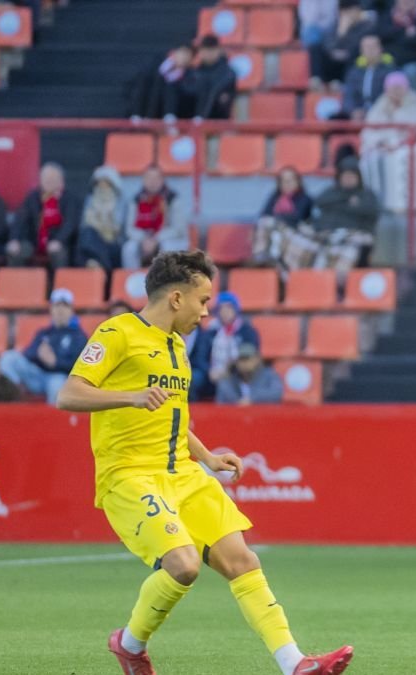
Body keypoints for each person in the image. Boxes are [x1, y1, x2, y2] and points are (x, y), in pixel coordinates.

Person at [55, 251, 353, 675]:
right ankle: (129, 643)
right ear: (176, 298)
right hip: (130, 476)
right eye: (203, 300)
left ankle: (295, 664)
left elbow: (172, 416)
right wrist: (130, 396)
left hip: (184, 473)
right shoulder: (117, 332)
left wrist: (207, 456)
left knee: (242, 561)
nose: (207, 311)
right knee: (184, 565)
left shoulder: (177, 345)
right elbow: (68, 394)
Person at [0, 288, 88, 404]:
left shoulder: (79, 336)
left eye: (64, 306)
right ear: (51, 309)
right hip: (38, 375)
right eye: (57, 306)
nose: (60, 310)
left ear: (71, 310)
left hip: (60, 377)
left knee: (56, 385)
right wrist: (39, 354)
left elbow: (79, 367)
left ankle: (53, 420)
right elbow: (28, 353)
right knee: (8, 358)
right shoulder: (44, 332)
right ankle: (13, 398)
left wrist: (55, 362)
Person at [360, 71, 416, 214]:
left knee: (399, 159)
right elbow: (368, 132)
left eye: (399, 88)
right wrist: (381, 143)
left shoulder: (415, 104)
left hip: (407, 147)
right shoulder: (380, 105)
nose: (396, 92)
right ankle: (375, 204)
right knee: (368, 161)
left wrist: (396, 143)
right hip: (382, 147)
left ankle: (403, 205)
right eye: (392, 88)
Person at [8, 162, 81, 269]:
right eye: (45, 178)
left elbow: (70, 224)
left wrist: (59, 240)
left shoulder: (70, 199)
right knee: (15, 252)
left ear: (60, 181)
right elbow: (20, 220)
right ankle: (16, 284)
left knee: (59, 253)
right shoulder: (32, 197)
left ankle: (58, 284)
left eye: (52, 178)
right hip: (34, 241)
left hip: (60, 242)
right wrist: (14, 239)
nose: (48, 181)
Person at [123, 166, 190, 270]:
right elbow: (130, 229)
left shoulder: (173, 199)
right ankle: (133, 280)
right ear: (143, 180)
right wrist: (143, 239)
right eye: (149, 178)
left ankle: (166, 283)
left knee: (167, 247)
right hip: (144, 239)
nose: (152, 182)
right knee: (129, 249)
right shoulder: (136, 200)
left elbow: (178, 229)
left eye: (156, 178)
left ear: (162, 180)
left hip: (170, 239)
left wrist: (156, 239)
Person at [251, 167, 316, 271]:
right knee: (265, 224)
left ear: (298, 181)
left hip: (295, 236)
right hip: (275, 237)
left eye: (290, 180)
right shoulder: (274, 198)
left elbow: (297, 218)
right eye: (284, 181)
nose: (287, 183)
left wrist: (278, 219)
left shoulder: (305, 198)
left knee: (271, 225)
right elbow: (264, 216)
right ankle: (262, 257)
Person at [308, 0, 372, 91]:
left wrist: (346, 51)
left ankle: (342, 83)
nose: (351, 14)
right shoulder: (335, 26)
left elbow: (358, 46)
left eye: (353, 10)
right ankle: (316, 80)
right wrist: (341, 33)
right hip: (334, 60)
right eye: (347, 11)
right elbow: (327, 45)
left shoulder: (366, 26)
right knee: (315, 47)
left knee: (354, 54)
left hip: (350, 62)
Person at [377, 0, 416, 89]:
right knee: (382, 71)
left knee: (411, 72)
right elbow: (382, 34)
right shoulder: (389, 15)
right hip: (391, 59)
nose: (406, 1)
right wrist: (404, 31)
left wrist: (396, 35)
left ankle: (414, 101)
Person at [78, 165, 128, 271]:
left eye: (106, 183)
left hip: (113, 241)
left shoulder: (121, 202)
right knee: (87, 235)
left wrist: (102, 223)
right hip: (94, 240)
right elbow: (85, 224)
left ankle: (101, 264)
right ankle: (102, 265)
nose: (102, 186)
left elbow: (118, 228)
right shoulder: (90, 200)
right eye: (99, 182)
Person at [208, 291, 261, 386]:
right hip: (213, 374)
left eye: (228, 307)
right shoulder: (211, 331)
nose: (225, 311)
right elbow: (203, 356)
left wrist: (230, 369)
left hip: (237, 373)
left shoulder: (247, 331)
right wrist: (209, 371)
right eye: (221, 308)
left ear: (235, 309)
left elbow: (250, 355)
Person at [341, 34, 396, 120]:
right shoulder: (354, 72)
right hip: (358, 114)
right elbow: (349, 95)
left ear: (381, 49)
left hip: (382, 113)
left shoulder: (391, 71)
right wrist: (353, 111)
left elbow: (392, 96)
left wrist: (376, 111)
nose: (370, 50)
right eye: (366, 47)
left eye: (373, 47)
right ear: (361, 51)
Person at [185, 35, 236, 120]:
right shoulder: (195, 72)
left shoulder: (227, 73)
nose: (208, 53)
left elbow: (217, 96)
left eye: (211, 50)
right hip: (192, 119)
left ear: (218, 50)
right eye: (205, 49)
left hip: (218, 121)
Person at [215, 342, 283, 405]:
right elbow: (221, 401)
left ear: (257, 359)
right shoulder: (229, 381)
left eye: (247, 358)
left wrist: (252, 399)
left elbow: (276, 394)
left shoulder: (270, 376)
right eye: (241, 359)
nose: (244, 363)